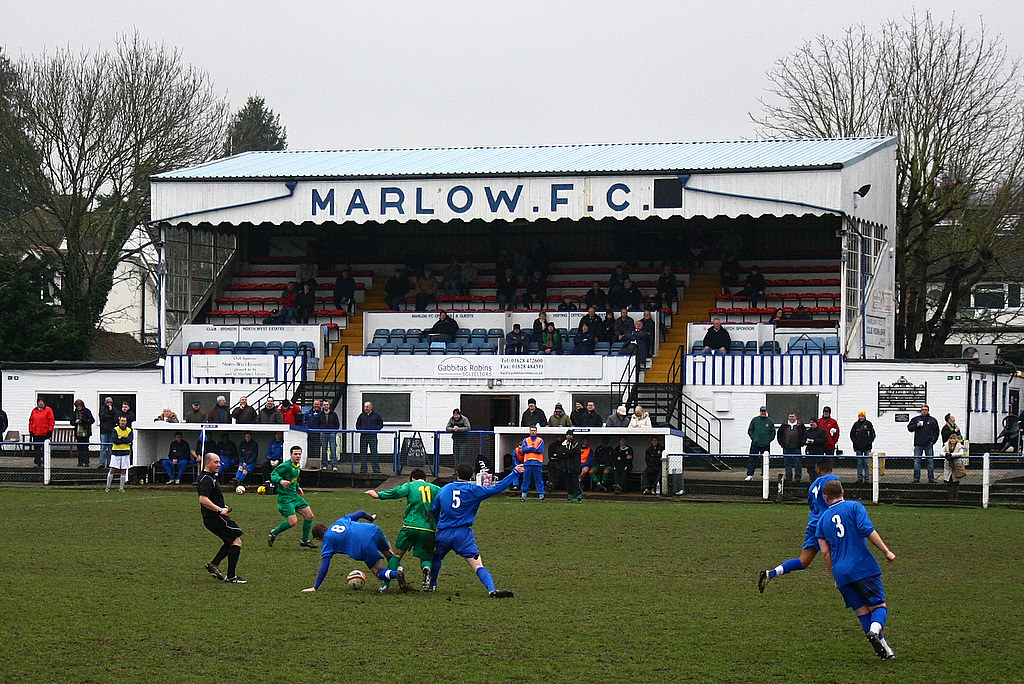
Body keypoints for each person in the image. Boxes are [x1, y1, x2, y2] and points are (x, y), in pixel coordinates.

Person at [815, 480, 897, 660]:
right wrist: (886, 551)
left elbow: (825, 552)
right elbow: (868, 530)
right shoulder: (854, 507)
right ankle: (875, 630)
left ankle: (884, 651)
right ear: (843, 491)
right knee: (879, 607)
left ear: (826, 497)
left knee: (862, 612)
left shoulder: (821, 522)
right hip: (862, 567)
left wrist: (834, 575)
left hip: (841, 572)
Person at [427, 460, 525, 597]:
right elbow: (496, 488)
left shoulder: (445, 489)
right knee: (477, 564)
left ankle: (432, 584)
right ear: (472, 476)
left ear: (457, 473)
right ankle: (491, 589)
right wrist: (514, 473)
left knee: (436, 557)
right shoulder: (474, 490)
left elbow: (434, 509)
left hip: (443, 533)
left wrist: (438, 524)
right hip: (463, 534)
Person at [758, 458, 840, 593]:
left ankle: (771, 573)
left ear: (818, 469)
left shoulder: (812, 486)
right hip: (829, 522)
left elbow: (813, 506)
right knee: (843, 549)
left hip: (814, 525)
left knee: (803, 561)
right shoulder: (833, 480)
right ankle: (842, 579)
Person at [365, 468, 440, 591]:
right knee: (426, 558)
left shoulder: (410, 485)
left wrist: (378, 495)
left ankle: (385, 585)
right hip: (428, 528)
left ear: (412, 478)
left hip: (410, 526)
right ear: (425, 479)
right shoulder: (435, 488)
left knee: (397, 555)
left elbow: (397, 492)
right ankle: (426, 570)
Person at [303, 510, 409, 592]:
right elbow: (361, 513)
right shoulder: (340, 521)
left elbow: (325, 566)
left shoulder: (327, 541)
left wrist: (315, 587)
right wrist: (371, 519)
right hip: (373, 530)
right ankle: (399, 567)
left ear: (318, 538)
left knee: (377, 570)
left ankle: (396, 574)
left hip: (363, 545)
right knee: (389, 553)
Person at [197, 452, 246, 584]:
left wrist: (222, 505)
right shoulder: (206, 479)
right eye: (216, 462)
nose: (219, 465)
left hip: (216, 516)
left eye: (219, 462)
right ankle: (231, 577)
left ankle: (214, 564)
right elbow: (203, 499)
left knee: (230, 540)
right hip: (214, 518)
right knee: (236, 540)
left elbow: (211, 497)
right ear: (208, 463)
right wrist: (219, 509)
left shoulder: (211, 478)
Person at [268, 445, 318, 549]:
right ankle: (274, 533)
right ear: (291, 455)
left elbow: (294, 479)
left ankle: (305, 540)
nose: (298, 456)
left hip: (294, 496)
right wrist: (281, 481)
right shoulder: (286, 465)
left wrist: (298, 487)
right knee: (293, 522)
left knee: (309, 516)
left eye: (299, 454)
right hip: (285, 498)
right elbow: (274, 474)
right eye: (295, 454)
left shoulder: (297, 465)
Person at [907, 405, 940, 483]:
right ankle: (916, 478)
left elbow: (936, 431)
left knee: (930, 462)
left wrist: (933, 441)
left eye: (925, 410)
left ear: (928, 410)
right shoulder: (916, 419)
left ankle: (931, 478)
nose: (924, 411)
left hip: (928, 444)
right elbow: (909, 428)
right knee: (917, 462)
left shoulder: (932, 420)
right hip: (918, 444)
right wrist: (916, 425)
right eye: (922, 410)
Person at [746, 406, 775, 482]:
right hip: (755, 444)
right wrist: (754, 438)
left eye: (764, 411)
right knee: (752, 459)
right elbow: (750, 431)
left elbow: (773, 432)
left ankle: (764, 475)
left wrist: (768, 440)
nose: (763, 412)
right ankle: (750, 475)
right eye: (762, 411)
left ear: (766, 412)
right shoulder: (755, 420)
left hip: (765, 445)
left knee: (765, 460)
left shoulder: (770, 421)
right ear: (760, 412)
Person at [355, 401, 384, 474]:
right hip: (363, 436)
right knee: (363, 452)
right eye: (365, 407)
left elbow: (380, 424)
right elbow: (357, 425)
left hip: (372, 436)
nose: (365, 408)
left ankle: (376, 469)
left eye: (367, 407)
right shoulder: (361, 415)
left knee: (374, 452)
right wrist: (362, 430)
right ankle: (363, 469)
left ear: (371, 407)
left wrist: (375, 430)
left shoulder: (376, 415)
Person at [777, 413, 806, 482]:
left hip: (797, 448)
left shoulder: (801, 425)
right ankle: (789, 476)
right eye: (790, 416)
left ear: (796, 417)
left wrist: (802, 443)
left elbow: (804, 435)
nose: (791, 418)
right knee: (787, 463)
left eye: (793, 416)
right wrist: (782, 443)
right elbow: (779, 435)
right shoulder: (784, 425)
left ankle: (798, 476)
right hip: (786, 447)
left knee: (798, 462)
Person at [107, 415, 132, 493]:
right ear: (119, 421)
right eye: (122, 421)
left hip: (125, 453)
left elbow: (130, 440)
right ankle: (108, 487)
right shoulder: (115, 430)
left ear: (126, 422)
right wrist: (124, 440)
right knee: (112, 470)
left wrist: (121, 438)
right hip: (116, 453)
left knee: (124, 471)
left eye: (124, 421)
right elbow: (115, 440)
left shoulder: (129, 430)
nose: (123, 422)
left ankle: (121, 488)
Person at [519, 426, 545, 501]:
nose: (533, 432)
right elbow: (524, 449)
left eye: (534, 430)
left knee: (539, 480)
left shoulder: (540, 440)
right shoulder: (525, 440)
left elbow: (540, 450)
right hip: (527, 462)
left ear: (536, 431)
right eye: (531, 430)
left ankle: (541, 495)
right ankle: (523, 496)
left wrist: (529, 448)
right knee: (526, 479)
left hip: (537, 463)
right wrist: (533, 448)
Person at [850, 411, 876, 484]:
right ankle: (860, 478)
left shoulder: (869, 424)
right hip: (858, 447)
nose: (861, 417)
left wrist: (869, 442)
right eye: (860, 416)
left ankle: (867, 478)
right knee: (859, 463)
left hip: (867, 447)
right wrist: (855, 442)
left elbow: (872, 434)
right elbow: (852, 435)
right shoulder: (855, 425)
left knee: (867, 463)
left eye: (862, 416)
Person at [557, 430, 583, 502]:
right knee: (568, 483)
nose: (569, 436)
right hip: (565, 467)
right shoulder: (563, 444)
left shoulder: (576, 444)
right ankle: (570, 496)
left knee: (575, 482)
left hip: (574, 466)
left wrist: (566, 452)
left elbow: (574, 452)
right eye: (568, 435)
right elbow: (560, 454)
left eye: (570, 435)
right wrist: (568, 452)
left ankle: (579, 496)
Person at [28, 398, 55, 468]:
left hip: (45, 433)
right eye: (39, 402)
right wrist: (31, 430)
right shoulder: (34, 410)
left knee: (44, 449)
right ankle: (38, 462)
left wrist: (50, 430)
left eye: (42, 402)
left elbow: (51, 421)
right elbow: (31, 421)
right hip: (36, 433)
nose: (40, 403)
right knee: (36, 449)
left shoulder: (48, 410)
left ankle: (45, 462)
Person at [942, 435, 967, 501]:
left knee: (956, 481)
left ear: (956, 440)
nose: (953, 440)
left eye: (954, 439)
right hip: (949, 465)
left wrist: (952, 455)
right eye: (951, 439)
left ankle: (955, 497)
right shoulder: (946, 445)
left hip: (957, 465)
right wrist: (946, 455)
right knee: (949, 481)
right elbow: (941, 452)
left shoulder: (959, 446)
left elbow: (961, 453)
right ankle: (950, 497)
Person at [71, 399, 95, 467]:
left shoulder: (87, 411)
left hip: (86, 432)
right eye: (77, 406)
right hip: (78, 433)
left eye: (80, 406)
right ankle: (80, 461)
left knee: (85, 447)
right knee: (79, 448)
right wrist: (75, 422)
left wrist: (82, 421)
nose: (79, 407)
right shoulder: (75, 412)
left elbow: (92, 420)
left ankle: (86, 461)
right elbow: (71, 422)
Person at [304, 399, 326, 464]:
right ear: (313, 405)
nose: (316, 405)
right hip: (309, 434)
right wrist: (307, 429)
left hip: (318, 435)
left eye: (318, 404)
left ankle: (317, 464)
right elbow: (304, 422)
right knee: (309, 449)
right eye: (315, 404)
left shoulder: (322, 414)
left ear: (320, 405)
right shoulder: (308, 413)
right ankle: (309, 464)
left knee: (317, 450)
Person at [97, 396, 117, 469]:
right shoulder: (102, 409)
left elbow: (115, 419)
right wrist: (110, 415)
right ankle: (102, 463)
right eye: (108, 403)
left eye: (110, 403)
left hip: (111, 430)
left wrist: (111, 412)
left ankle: (110, 463)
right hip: (104, 431)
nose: (109, 404)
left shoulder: (114, 410)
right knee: (103, 447)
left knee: (110, 448)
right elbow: (102, 417)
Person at [322, 399, 340, 471]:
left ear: (329, 406)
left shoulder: (334, 414)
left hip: (332, 434)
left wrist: (334, 432)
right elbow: (318, 424)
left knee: (333, 450)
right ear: (323, 406)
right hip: (323, 434)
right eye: (324, 405)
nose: (326, 406)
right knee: (324, 450)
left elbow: (337, 424)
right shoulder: (320, 415)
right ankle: (324, 465)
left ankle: (334, 465)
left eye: (327, 405)